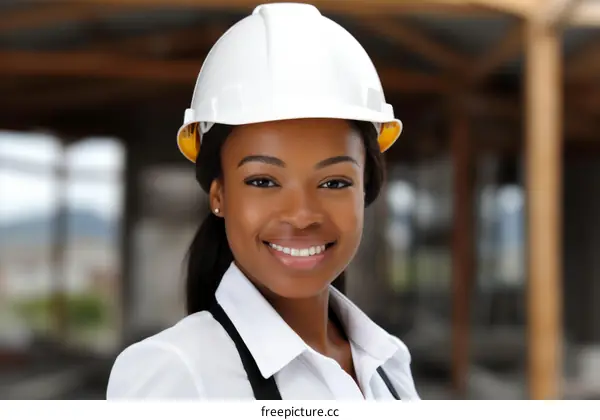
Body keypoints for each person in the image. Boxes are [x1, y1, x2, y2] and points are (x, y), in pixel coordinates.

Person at [106, 2, 420, 400]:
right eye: (264, 181)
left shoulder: (388, 364)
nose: (302, 214)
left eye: (335, 183)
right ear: (218, 194)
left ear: (366, 189)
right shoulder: (177, 373)